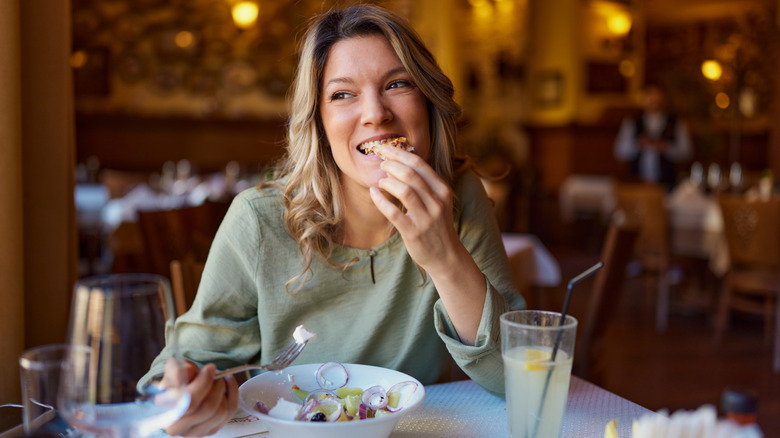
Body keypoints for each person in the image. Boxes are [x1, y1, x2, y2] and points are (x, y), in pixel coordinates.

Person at [147, 4, 525, 436]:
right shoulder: (257, 221)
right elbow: (182, 370)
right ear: (319, 122)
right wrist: (178, 393)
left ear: (427, 101)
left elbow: (513, 376)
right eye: (343, 94)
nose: (375, 114)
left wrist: (444, 256)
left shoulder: (459, 198)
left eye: (398, 84)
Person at [613, 84, 693, 190]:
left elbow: (687, 152)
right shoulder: (632, 122)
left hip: (668, 184)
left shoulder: (676, 123)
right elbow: (619, 152)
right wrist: (638, 145)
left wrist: (666, 148)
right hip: (637, 182)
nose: (653, 99)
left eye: (657, 96)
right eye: (650, 95)